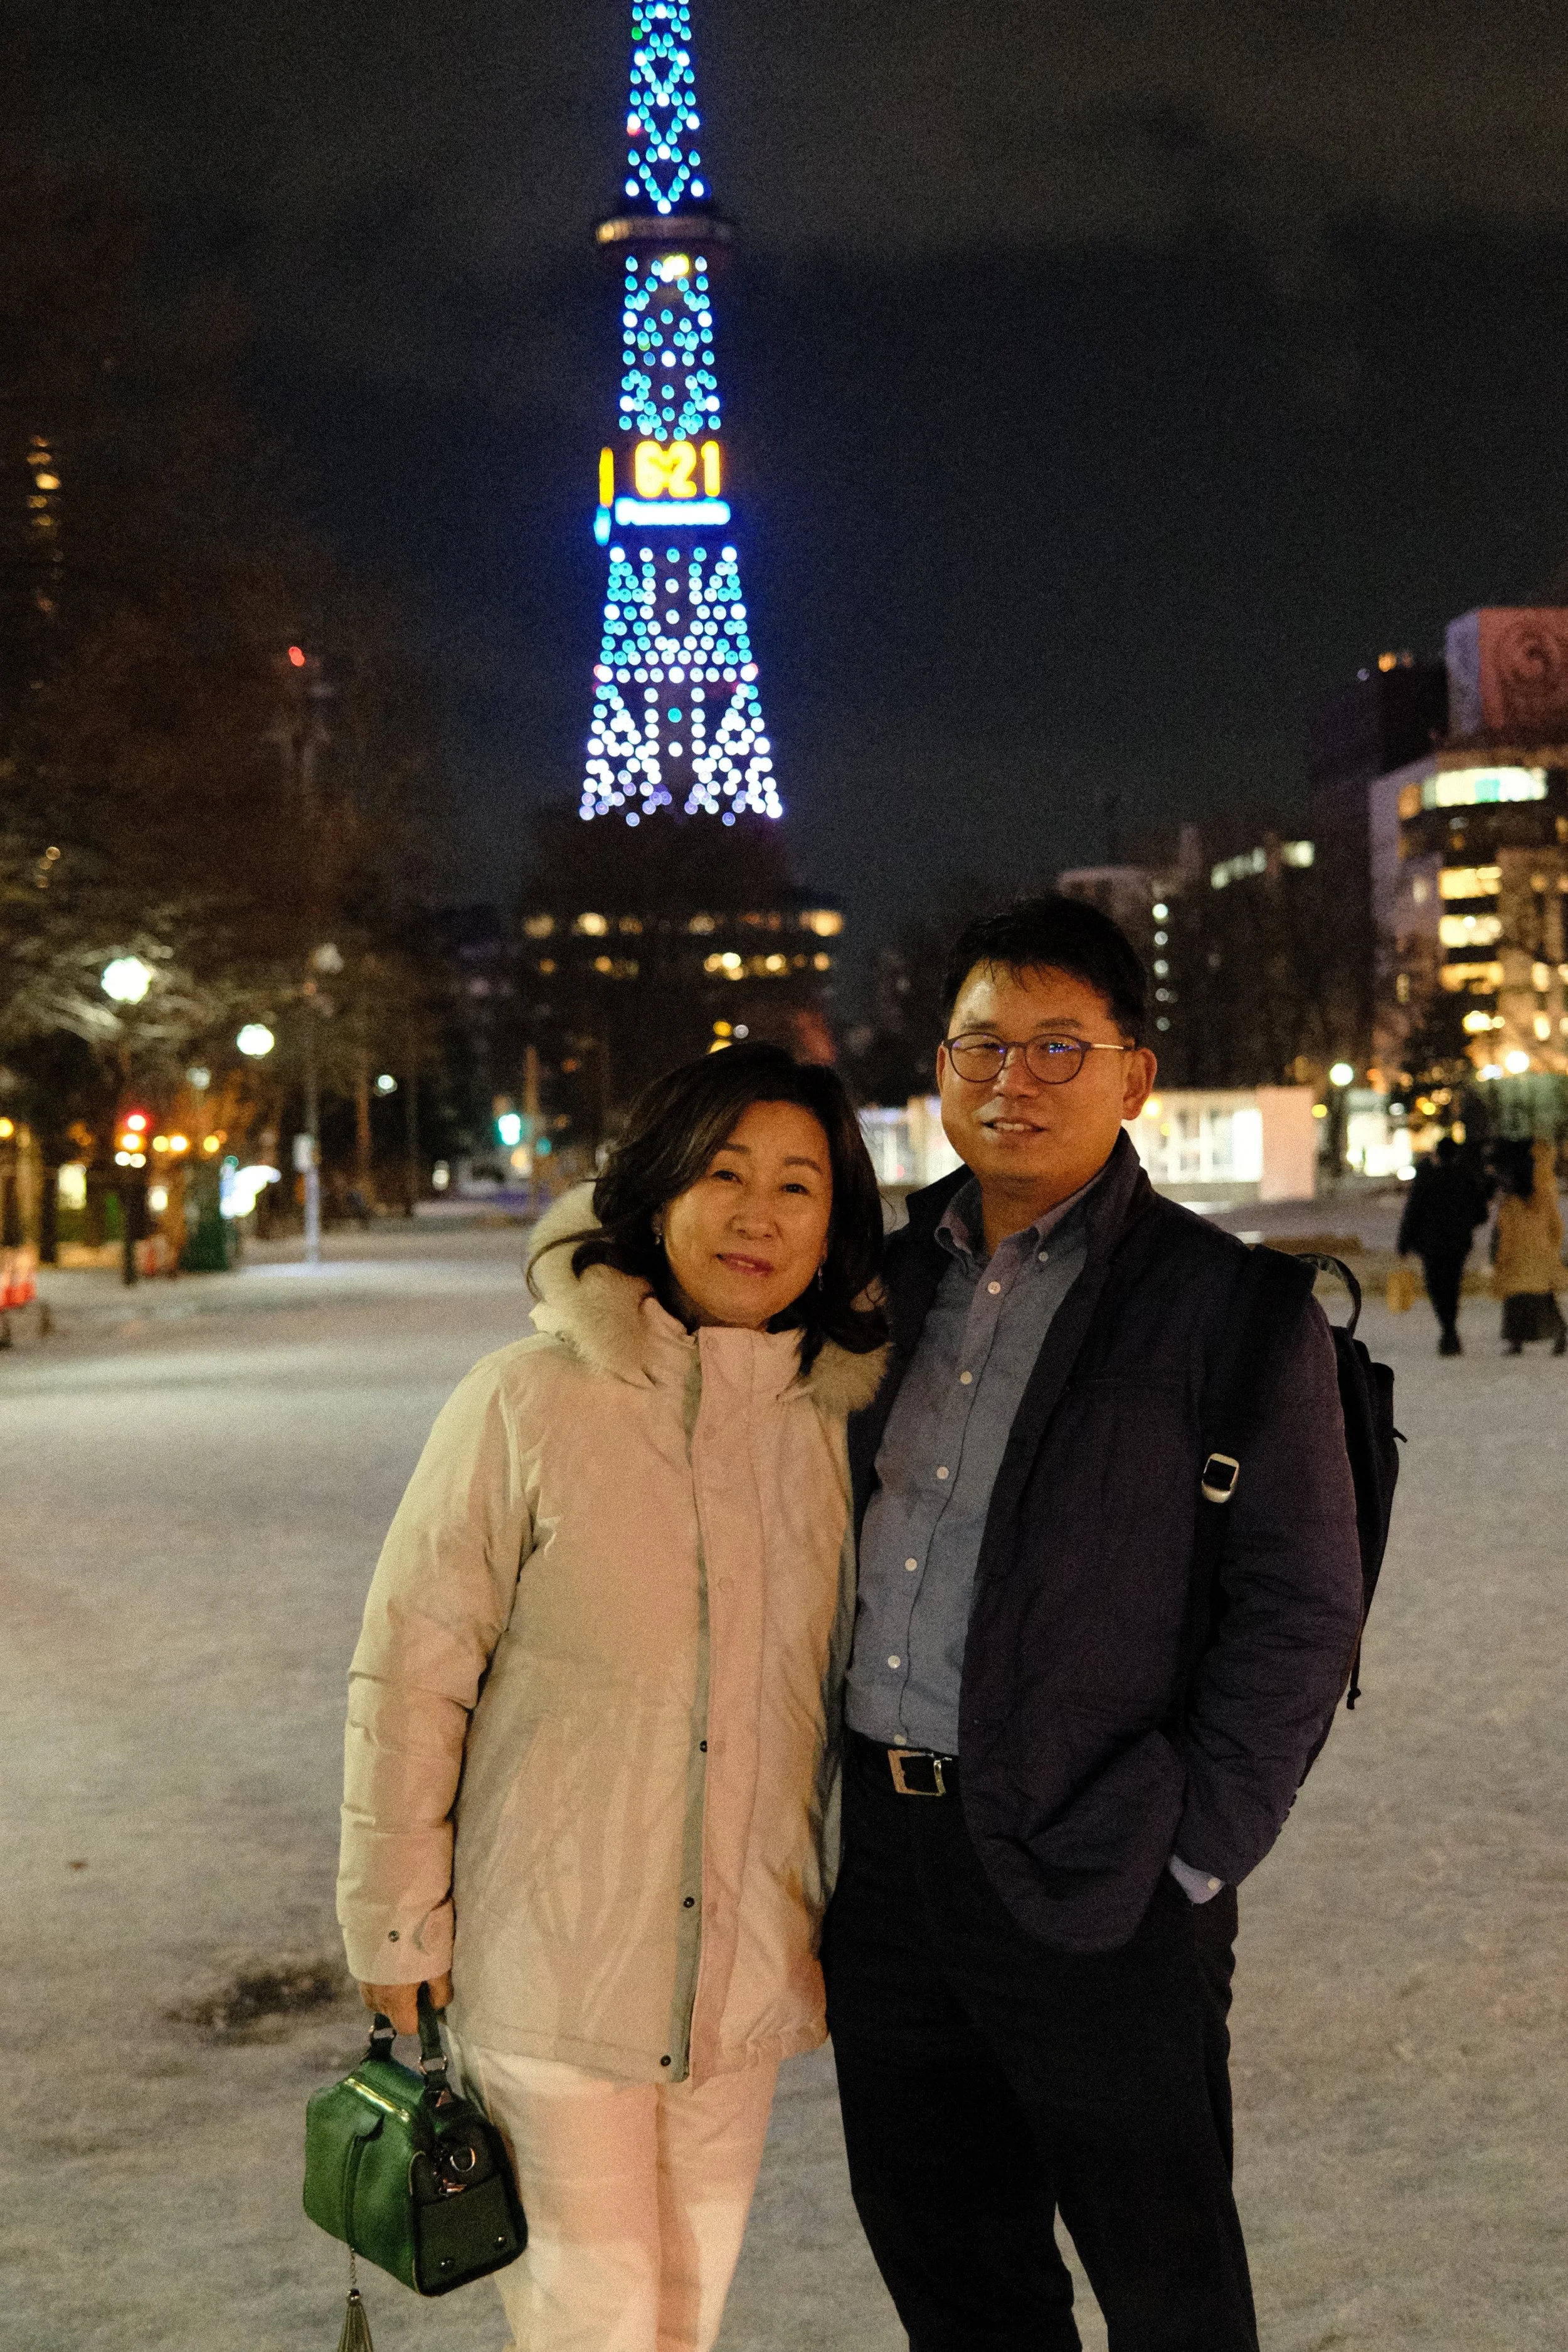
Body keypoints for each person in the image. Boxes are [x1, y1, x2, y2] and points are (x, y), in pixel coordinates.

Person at [822, 894, 1365, 2352]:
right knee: (954, 2277)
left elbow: (1301, 1605)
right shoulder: (882, 1284)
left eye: (1058, 1045)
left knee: (1168, 2287)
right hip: (885, 1870)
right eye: (982, 1044)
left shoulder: (1231, 1307)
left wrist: (1191, 1849)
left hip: (1102, 1858)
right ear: (942, 1069)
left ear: (1134, 1076)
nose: (1014, 1078)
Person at [336, 1044, 889, 2352]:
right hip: (551, 1961)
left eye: (797, 1185)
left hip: (740, 1972)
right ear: (655, 1192)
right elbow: (413, 1670)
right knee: (595, 2323)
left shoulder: (836, 1430)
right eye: (723, 1173)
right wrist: (396, 1924)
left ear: (834, 1228)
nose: (757, 1216)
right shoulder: (527, 1400)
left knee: (686, 2313)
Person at [1396, 1133, 1490, 1354]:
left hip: (1431, 1244)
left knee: (1436, 1287)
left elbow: (1413, 1211)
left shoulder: (1428, 1177)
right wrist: (1464, 1224)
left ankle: (1449, 1331)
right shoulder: (1466, 1178)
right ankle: (1450, 1331)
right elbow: (1481, 1213)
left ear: (1437, 1155)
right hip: (1458, 1244)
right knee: (1452, 1286)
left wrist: (1404, 1242)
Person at [1490, 1136, 1567, 1355]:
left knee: (1516, 1303)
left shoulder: (1510, 1206)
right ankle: (1559, 1333)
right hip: (1543, 1256)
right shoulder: (1543, 1198)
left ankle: (1516, 1342)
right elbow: (1557, 1227)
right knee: (1545, 1299)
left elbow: (1505, 1238)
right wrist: (1551, 1247)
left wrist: (1500, 1261)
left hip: (1516, 1260)